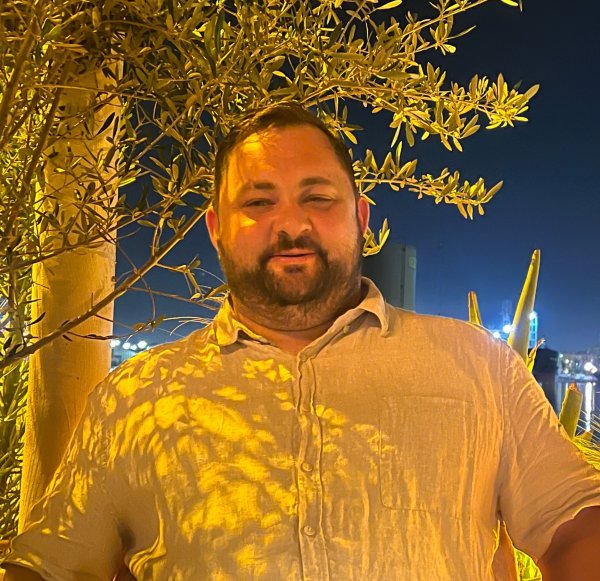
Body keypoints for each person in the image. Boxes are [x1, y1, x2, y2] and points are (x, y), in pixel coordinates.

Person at [3, 103, 600, 581]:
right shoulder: (135, 398)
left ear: (360, 218)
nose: (291, 224)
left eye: (317, 197)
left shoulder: (476, 365)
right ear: (217, 228)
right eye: (258, 202)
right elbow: (54, 563)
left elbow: (574, 526)